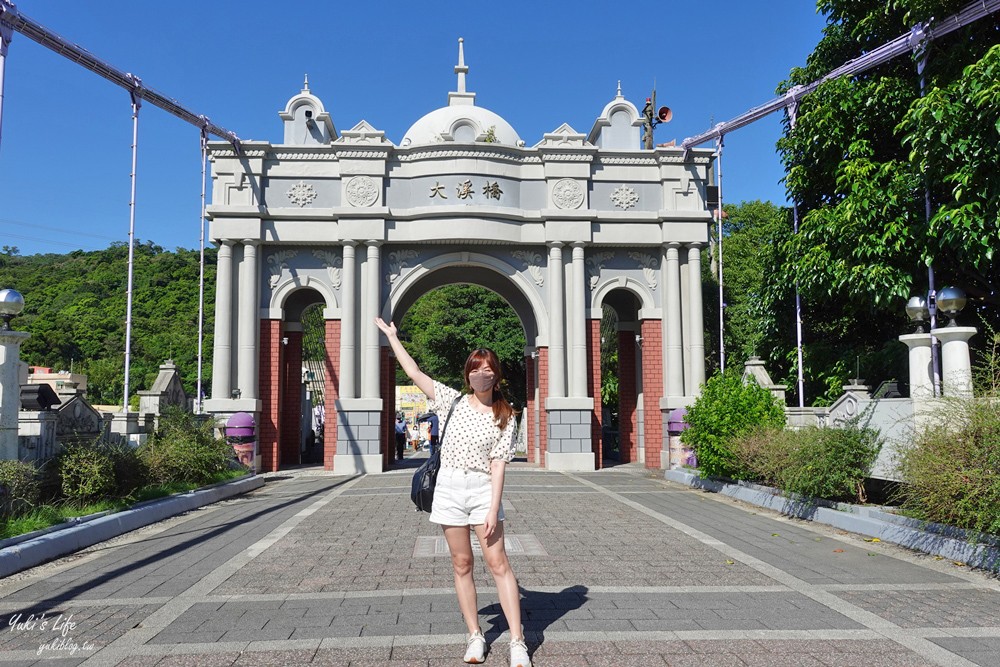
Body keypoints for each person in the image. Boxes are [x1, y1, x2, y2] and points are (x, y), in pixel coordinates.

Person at [375, 317, 531, 667]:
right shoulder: (451, 401)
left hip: (481, 490)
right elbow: (414, 372)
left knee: (498, 563)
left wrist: (493, 509)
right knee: (461, 563)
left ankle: (517, 641)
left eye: (488, 370)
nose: (482, 375)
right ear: (468, 375)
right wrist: (393, 338)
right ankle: (476, 635)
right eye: (476, 370)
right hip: (448, 487)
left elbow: (498, 465)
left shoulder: (505, 415)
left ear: (496, 375)